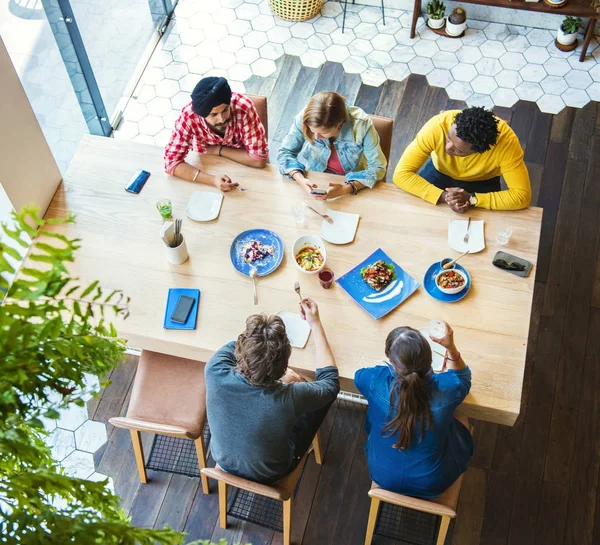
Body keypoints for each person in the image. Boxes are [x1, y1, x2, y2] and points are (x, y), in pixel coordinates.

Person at [205, 298, 339, 484]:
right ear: (284, 366)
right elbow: (331, 384)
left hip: (222, 459)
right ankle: (305, 447)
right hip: (272, 471)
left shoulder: (214, 369)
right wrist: (314, 323)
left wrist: (258, 340)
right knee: (319, 400)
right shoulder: (286, 399)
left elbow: (235, 344)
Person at [354, 322, 473, 498]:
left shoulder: (374, 381)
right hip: (432, 483)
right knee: (461, 415)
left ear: (393, 364)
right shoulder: (449, 389)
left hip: (383, 475)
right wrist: (451, 347)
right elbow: (463, 378)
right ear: (431, 359)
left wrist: (385, 370)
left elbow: (359, 375)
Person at [393, 107, 531, 212]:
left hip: (482, 181)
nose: (447, 148)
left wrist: (473, 199)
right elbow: (401, 174)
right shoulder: (437, 126)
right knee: (414, 210)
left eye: (458, 150)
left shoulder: (508, 145)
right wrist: (444, 196)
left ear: (479, 151)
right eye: (448, 138)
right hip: (439, 170)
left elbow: (522, 196)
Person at [164, 77, 269, 192]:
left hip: (243, 165)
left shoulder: (244, 107)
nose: (222, 119)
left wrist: (218, 150)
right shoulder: (189, 116)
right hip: (209, 163)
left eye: (225, 110)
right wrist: (212, 180)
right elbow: (171, 163)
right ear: (201, 115)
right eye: (214, 115)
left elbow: (258, 159)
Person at [277, 91, 387, 200]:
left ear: (339, 123)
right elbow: (285, 153)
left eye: (323, 133)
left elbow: (378, 167)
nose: (316, 137)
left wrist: (346, 188)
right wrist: (300, 179)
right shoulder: (305, 117)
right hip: (315, 177)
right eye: (312, 131)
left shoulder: (362, 125)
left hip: (353, 181)